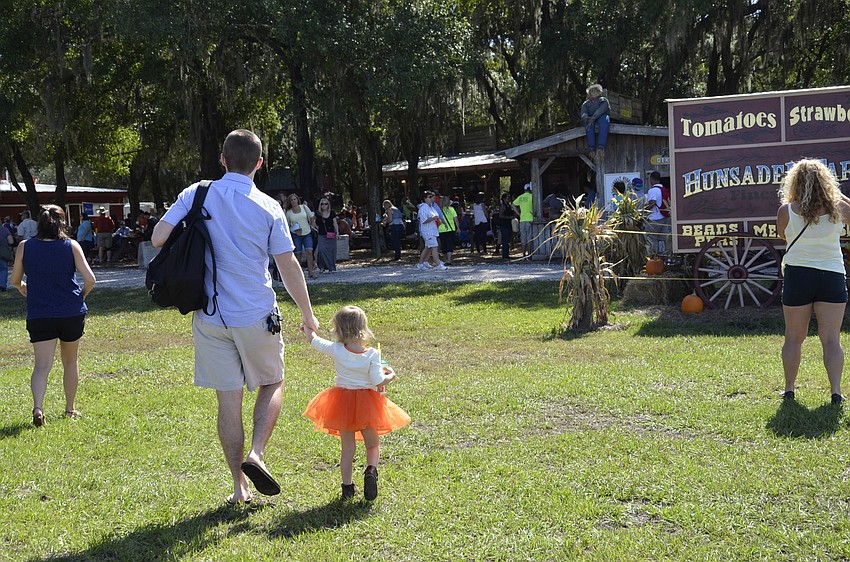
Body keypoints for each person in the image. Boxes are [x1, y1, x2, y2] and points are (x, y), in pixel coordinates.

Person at [152, 129, 319, 505]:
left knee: (228, 403)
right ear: (260, 164)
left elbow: (159, 238)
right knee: (272, 382)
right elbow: (287, 264)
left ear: (222, 159)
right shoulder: (268, 207)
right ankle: (256, 454)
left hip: (210, 314)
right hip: (256, 313)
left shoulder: (197, 193)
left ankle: (238, 487)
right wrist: (308, 314)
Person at [302, 306, 410, 500]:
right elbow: (378, 380)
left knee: (348, 449)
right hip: (367, 404)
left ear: (339, 329)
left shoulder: (336, 349)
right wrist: (391, 375)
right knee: (372, 445)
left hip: (342, 403)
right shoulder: (372, 355)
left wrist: (308, 327)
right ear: (364, 328)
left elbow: (314, 340)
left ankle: (347, 488)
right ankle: (370, 470)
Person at [9, 205, 96, 426]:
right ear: (62, 223)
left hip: (40, 313)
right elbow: (90, 279)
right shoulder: (71, 245)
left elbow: (14, 280)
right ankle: (70, 409)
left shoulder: (24, 246)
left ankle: (38, 408)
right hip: (70, 312)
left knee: (41, 366)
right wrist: (80, 297)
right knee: (70, 361)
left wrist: (22, 288)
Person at [777, 159, 850, 404]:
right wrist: (836, 196)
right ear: (826, 182)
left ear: (794, 183)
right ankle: (836, 392)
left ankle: (789, 389)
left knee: (793, 337)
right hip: (831, 275)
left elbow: (785, 239)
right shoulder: (840, 208)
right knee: (831, 338)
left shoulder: (786, 211)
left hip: (798, 274)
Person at [284, 194, 318, 279]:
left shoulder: (304, 208)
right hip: (296, 234)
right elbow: (287, 225)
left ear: (297, 200)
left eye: (295, 199)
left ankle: (310, 272)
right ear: (290, 202)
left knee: (309, 252)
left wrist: (312, 223)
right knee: (298, 254)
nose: (293, 201)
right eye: (291, 200)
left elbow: (311, 216)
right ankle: (300, 274)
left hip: (307, 232)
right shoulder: (289, 212)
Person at [416, 191, 446, 271]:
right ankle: (438, 264)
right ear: (425, 198)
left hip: (433, 230)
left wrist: (438, 221)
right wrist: (433, 218)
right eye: (429, 197)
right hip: (428, 231)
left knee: (427, 248)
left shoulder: (431, 207)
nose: (431, 199)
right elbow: (424, 221)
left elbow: (437, 216)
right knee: (434, 247)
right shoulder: (423, 208)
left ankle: (421, 263)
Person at [580, 84, 610, 160]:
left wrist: (593, 118)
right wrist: (585, 118)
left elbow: (601, 110)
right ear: (589, 93)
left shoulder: (603, 100)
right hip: (590, 118)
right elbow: (583, 112)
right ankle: (591, 148)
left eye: (595, 91)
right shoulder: (586, 103)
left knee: (604, 121)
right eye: (592, 91)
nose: (594, 92)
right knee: (588, 126)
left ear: (599, 92)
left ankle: (601, 147)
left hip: (601, 116)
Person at [644, 171, 670, 256]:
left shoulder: (652, 190)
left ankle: (653, 258)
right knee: (665, 239)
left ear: (651, 179)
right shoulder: (664, 189)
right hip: (665, 218)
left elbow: (652, 203)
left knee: (652, 239)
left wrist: (643, 211)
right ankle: (667, 258)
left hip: (655, 219)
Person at [314, 197, 339, 273]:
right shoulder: (317, 214)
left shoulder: (332, 213)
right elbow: (313, 221)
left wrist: (337, 232)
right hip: (322, 235)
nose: (324, 205)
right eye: (322, 204)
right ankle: (321, 266)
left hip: (331, 234)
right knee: (321, 250)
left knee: (331, 251)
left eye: (326, 204)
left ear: (328, 205)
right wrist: (316, 227)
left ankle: (331, 267)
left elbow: (335, 223)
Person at [513, 183, 535, 258]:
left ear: (525, 189)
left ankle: (523, 255)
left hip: (522, 219)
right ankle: (529, 255)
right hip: (530, 218)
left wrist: (518, 213)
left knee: (523, 238)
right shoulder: (532, 196)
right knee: (529, 238)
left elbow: (513, 205)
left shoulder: (520, 197)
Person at [438, 197, 459, 265]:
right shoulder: (451, 209)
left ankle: (445, 259)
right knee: (450, 244)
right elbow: (455, 219)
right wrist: (458, 227)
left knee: (444, 245)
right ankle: (449, 259)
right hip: (450, 229)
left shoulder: (439, 210)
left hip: (441, 229)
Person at [497, 193, 516, 260]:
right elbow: (500, 215)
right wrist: (509, 217)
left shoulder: (509, 205)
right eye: (507, 198)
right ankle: (504, 255)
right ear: (504, 199)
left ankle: (507, 254)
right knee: (505, 240)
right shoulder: (503, 206)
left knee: (508, 240)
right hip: (504, 225)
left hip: (509, 224)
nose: (509, 199)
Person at [0, 221, 13, 291]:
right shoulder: (5, 229)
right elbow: (11, 241)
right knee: (3, 269)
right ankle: (2, 284)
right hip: (2, 251)